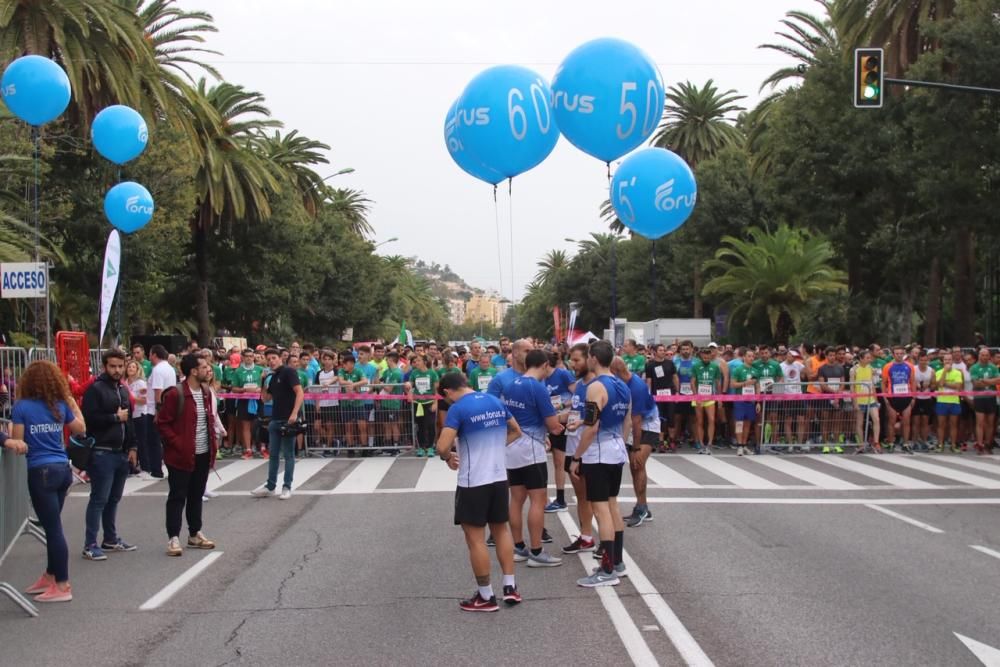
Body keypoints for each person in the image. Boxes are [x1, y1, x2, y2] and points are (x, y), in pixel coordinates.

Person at [436, 372, 523, 611]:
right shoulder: (494, 401)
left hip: (474, 480)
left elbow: (442, 445)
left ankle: (486, 596)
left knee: (475, 539)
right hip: (498, 477)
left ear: (447, 392)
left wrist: (447, 457)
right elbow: (516, 430)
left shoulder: (458, 408)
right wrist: (494, 447)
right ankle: (510, 587)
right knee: (501, 531)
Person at [12, 361, 86, 602]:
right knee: (53, 525)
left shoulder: (21, 407)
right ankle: (51, 574)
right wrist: (73, 405)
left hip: (40, 470)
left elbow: (19, 442)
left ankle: (63, 585)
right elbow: (79, 430)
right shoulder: (59, 405)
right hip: (63, 469)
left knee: (53, 528)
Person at [569, 340, 630, 587]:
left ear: (593, 358)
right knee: (613, 505)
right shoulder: (622, 383)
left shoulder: (596, 387)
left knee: (600, 509)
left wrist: (576, 457)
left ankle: (606, 570)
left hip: (599, 452)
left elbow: (592, 428)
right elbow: (625, 419)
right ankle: (617, 561)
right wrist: (621, 443)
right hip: (616, 449)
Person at [502, 350, 564, 567]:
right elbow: (554, 425)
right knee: (538, 500)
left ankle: (518, 547)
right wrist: (563, 420)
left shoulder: (511, 385)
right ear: (545, 365)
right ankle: (537, 551)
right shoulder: (537, 387)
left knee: (516, 499)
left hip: (511, 446)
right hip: (530, 448)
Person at [156, 353, 219, 556]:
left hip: (202, 452)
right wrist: (177, 443)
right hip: (180, 455)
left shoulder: (206, 392)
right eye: (203, 367)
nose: (207, 370)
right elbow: (162, 423)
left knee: (196, 495)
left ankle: (194, 533)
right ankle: (173, 537)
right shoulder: (176, 394)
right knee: (177, 496)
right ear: (193, 371)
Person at [80, 349, 139, 561]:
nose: (117, 370)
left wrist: (133, 447)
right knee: (99, 499)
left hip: (121, 453)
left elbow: (130, 421)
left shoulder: (123, 389)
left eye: (120, 366)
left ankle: (110, 538)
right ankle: (90, 543)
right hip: (101, 452)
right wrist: (114, 417)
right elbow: (89, 418)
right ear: (105, 366)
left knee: (113, 499)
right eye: (112, 366)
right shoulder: (95, 389)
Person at [251, 348, 304, 499]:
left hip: (288, 420)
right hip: (274, 419)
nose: (271, 361)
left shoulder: (289, 372)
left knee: (288, 454)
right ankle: (270, 486)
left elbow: (299, 392)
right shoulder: (272, 377)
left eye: (274, 358)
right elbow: (265, 398)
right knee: (273, 455)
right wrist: (262, 381)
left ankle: (287, 486)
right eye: (268, 359)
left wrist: (294, 413)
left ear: (281, 358)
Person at [560, 343, 597, 555]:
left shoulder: (596, 385)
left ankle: (606, 543)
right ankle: (586, 536)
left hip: (587, 448)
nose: (572, 364)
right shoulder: (579, 384)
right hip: (572, 444)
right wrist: (552, 419)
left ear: (589, 359)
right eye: (571, 360)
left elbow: (594, 419)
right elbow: (575, 412)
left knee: (596, 497)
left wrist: (580, 423)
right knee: (581, 496)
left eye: (576, 360)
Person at [615, 358, 658, 527]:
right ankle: (643, 506)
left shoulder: (636, 387)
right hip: (634, 423)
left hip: (648, 423)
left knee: (637, 464)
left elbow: (637, 420)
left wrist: (636, 447)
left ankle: (641, 508)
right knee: (634, 467)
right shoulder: (623, 382)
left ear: (618, 372)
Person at [543, 351, 576, 514]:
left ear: (546, 363)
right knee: (558, 462)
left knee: (567, 462)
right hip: (553, 422)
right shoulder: (541, 379)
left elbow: (578, 395)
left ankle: (579, 496)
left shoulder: (562, 374)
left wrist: (562, 406)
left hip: (568, 421)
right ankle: (560, 498)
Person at [231, 349, 265, 460]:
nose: (249, 358)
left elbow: (265, 385)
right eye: (247, 356)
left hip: (258, 400)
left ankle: (263, 448)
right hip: (244, 401)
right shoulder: (238, 371)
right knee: (245, 425)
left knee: (261, 424)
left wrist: (260, 389)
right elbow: (234, 388)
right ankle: (248, 449)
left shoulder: (260, 369)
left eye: (251, 356)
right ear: (243, 358)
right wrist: (244, 390)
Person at [146, 344, 174, 477]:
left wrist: (158, 412)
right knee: (165, 441)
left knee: (154, 441)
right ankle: (168, 466)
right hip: (169, 407)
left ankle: (156, 470)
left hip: (156, 409)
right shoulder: (170, 368)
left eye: (150, 354)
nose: (149, 357)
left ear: (155, 355)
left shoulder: (157, 370)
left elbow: (158, 392)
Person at [882, 345, 915, 454]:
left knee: (906, 422)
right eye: (897, 353)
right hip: (892, 397)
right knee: (891, 422)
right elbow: (884, 383)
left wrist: (913, 397)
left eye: (901, 353)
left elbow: (912, 382)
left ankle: (905, 444)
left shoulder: (909, 366)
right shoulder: (888, 366)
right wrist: (885, 397)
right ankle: (891, 443)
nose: (899, 355)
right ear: (893, 354)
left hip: (906, 397)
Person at [690, 346, 722, 454]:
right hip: (699, 396)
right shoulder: (696, 366)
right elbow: (692, 382)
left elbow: (718, 383)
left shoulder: (715, 366)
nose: (706, 359)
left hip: (710, 397)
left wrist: (720, 398)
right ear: (701, 357)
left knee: (711, 419)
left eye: (708, 358)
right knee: (699, 421)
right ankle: (701, 444)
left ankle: (709, 444)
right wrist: (696, 396)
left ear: (711, 356)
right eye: (704, 358)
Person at [645, 343, 677, 452]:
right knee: (660, 418)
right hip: (657, 395)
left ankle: (672, 440)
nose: (663, 352)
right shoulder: (650, 365)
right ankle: (661, 442)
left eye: (664, 350)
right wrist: (649, 395)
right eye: (660, 350)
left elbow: (675, 378)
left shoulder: (670, 363)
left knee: (671, 417)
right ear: (655, 352)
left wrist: (677, 391)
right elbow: (649, 381)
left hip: (670, 394)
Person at [126, 359, 153, 478]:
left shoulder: (141, 383)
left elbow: (144, 400)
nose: (131, 369)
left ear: (137, 370)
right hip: (129, 415)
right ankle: (132, 466)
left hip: (140, 414)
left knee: (142, 442)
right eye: (129, 367)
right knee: (131, 442)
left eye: (133, 367)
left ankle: (146, 467)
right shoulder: (125, 382)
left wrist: (131, 398)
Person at [969, 346, 999, 455]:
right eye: (982, 355)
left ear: (989, 356)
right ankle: (980, 444)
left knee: (990, 422)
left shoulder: (993, 367)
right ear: (979, 356)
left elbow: (998, 380)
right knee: (980, 422)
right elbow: (976, 383)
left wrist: (985, 381)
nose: (984, 357)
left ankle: (988, 443)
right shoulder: (974, 368)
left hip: (991, 397)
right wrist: (991, 381)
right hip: (979, 398)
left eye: (986, 355)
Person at [407, 354, 438, 457]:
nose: (416, 363)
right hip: (418, 403)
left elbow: (436, 390)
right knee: (420, 426)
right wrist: (409, 388)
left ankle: (430, 447)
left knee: (430, 425)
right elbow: (410, 385)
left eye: (419, 361)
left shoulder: (432, 373)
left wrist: (435, 402)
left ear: (424, 362)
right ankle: (421, 447)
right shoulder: (414, 373)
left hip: (429, 403)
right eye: (415, 361)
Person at [850, 351, 881, 454]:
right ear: (861, 358)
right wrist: (854, 402)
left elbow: (872, 385)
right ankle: (861, 444)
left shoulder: (870, 368)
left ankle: (876, 442)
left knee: (876, 419)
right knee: (859, 423)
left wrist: (876, 400)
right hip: (859, 400)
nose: (870, 360)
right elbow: (852, 387)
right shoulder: (854, 370)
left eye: (870, 358)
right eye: (867, 358)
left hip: (870, 399)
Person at [934, 351, 964, 452]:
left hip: (954, 401)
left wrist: (945, 384)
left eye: (949, 360)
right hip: (942, 401)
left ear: (952, 361)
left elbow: (958, 386)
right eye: (946, 360)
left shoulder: (958, 373)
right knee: (941, 425)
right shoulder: (938, 372)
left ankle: (953, 445)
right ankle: (940, 444)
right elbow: (939, 385)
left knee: (953, 425)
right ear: (943, 361)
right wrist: (944, 372)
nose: (948, 361)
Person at [730, 348, 757, 457]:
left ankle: (744, 444)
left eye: (752, 356)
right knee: (739, 423)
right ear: (744, 357)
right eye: (749, 356)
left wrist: (758, 400)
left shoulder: (755, 371)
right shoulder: (738, 369)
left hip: (750, 400)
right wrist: (745, 383)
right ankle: (739, 445)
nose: (751, 358)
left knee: (748, 423)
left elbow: (757, 385)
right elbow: (733, 384)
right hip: (739, 400)